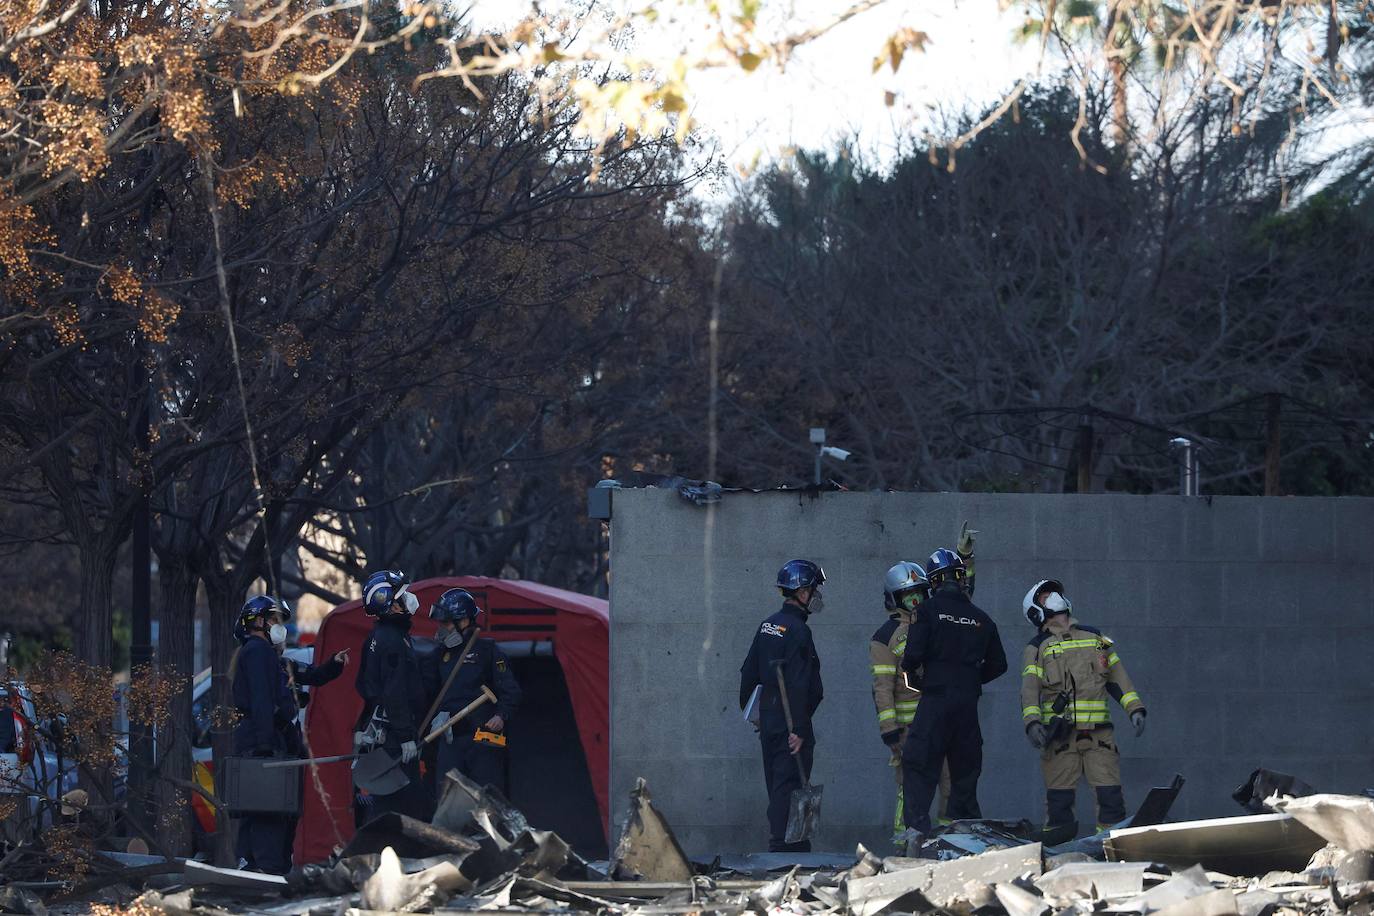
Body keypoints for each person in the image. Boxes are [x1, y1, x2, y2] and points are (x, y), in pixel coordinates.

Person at [1020, 578, 1147, 843]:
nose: (1053, 597)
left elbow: (1118, 676)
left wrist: (1135, 708)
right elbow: (1030, 688)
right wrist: (1032, 723)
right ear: (1035, 610)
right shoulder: (1037, 647)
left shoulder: (1096, 637)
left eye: (1055, 593)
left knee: (1110, 797)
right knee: (1059, 803)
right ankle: (1059, 855)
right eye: (1045, 597)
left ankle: (1111, 851)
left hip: (1100, 737)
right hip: (1061, 739)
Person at [230, 594, 347, 873]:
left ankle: (254, 865)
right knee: (268, 810)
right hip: (264, 743)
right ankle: (266, 870)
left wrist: (334, 664)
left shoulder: (271, 657)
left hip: (272, 741)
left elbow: (310, 674)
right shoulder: (257, 652)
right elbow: (260, 700)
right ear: (257, 622)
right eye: (272, 619)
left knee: (264, 808)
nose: (277, 626)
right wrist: (264, 745)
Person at [899, 548, 1007, 846]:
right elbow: (1000, 664)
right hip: (967, 709)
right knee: (965, 775)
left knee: (919, 765)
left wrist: (921, 678)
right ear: (961, 579)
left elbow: (911, 657)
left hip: (935, 702)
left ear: (932, 581)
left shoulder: (927, 611)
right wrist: (971, 679)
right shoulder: (981, 618)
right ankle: (968, 841)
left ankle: (917, 836)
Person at [739, 559, 825, 852]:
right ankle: (787, 847)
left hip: (770, 718)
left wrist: (756, 715)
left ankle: (782, 841)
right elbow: (804, 684)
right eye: (814, 590)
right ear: (801, 592)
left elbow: (748, 673)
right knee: (790, 786)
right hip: (791, 721)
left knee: (776, 784)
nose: (816, 596)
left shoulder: (768, 625)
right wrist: (799, 729)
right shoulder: (799, 631)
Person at [871, 561, 949, 841]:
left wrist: (967, 560)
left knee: (949, 786)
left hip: (941, 724)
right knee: (911, 790)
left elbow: (963, 599)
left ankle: (946, 846)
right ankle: (905, 846)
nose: (915, 601)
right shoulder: (885, 638)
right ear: (895, 598)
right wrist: (889, 730)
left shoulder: (934, 624)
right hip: (909, 731)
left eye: (919, 593)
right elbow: (882, 687)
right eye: (908, 596)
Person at [353, 569, 433, 823]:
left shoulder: (382, 636)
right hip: (393, 741)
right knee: (399, 806)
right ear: (388, 603)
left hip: (386, 735)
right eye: (402, 595)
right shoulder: (391, 640)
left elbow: (365, 685)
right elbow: (394, 691)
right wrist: (405, 736)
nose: (408, 599)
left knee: (392, 804)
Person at [427, 588, 521, 792]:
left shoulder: (488, 651)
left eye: (447, 623)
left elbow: (510, 690)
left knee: (487, 798)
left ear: (464, 622)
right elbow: (428, 692)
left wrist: (501, 716)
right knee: (447, 795)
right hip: (449, 738)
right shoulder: (438, 655)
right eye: (440, 623)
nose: (442, 628)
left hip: (483, 737)